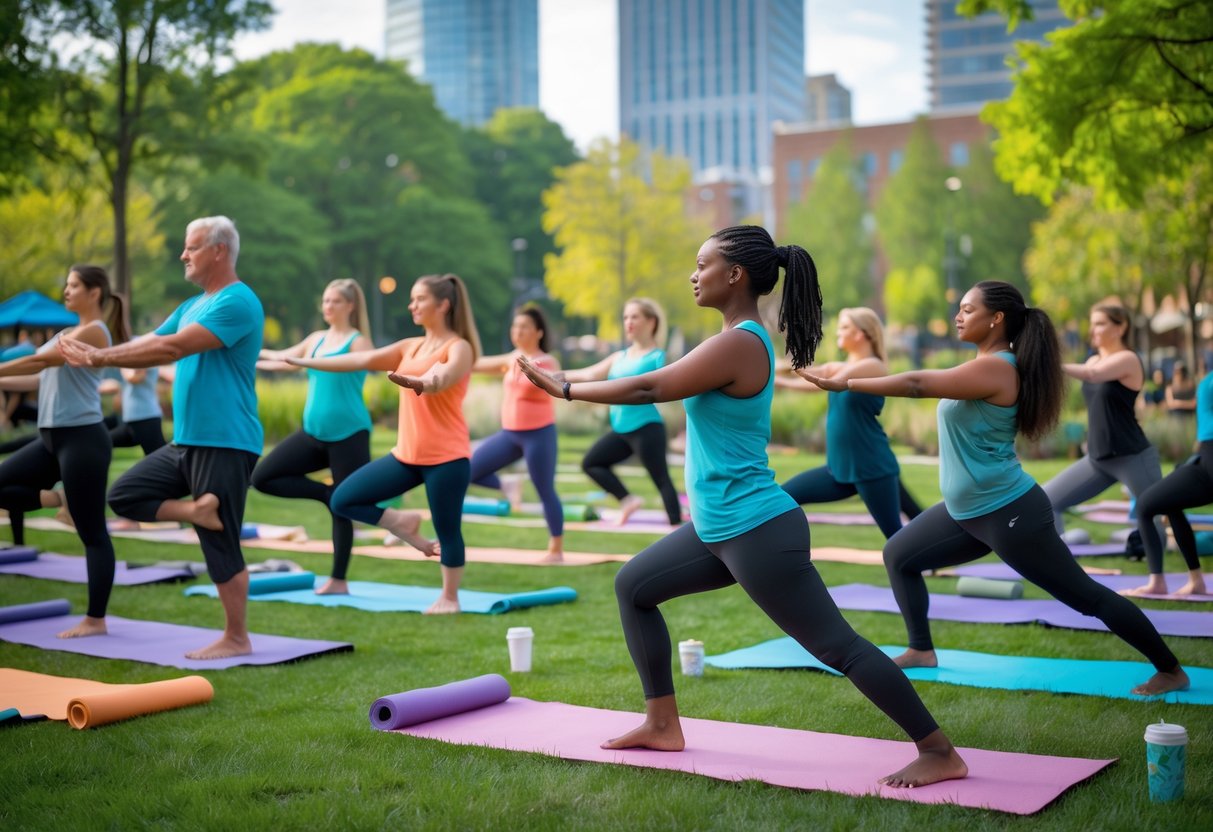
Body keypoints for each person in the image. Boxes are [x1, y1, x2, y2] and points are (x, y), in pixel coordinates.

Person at [518, 225, 967, 788]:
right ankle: (662, 723)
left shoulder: (740, 340)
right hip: (719, 527)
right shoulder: (734, 336)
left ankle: (938, 750)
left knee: (837, 646)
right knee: (633, 587)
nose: (693, 274)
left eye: (702, 264)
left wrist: (565, 389)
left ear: (735, 275)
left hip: (756, 529)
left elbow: (651, 389)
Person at [806, 281, 1189, 697]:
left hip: (1010, 513)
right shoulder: (985, 363)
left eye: (968, 310)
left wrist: (847, 384)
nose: (958, 316)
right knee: (899, 554)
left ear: (997, 318)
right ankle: (920, 650)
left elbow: (917, 384)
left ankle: (1170, 669)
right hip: (965, 512)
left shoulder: (998, 366)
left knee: (1087, 599)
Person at [60, 216, 264, 660]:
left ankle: (236, 637)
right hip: (188, 440)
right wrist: (103, 354)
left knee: (221, 542)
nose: (183, 255)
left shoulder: (239, 302)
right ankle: (194, 511)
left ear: (218, 251)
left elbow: (173, 349)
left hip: (227, 439)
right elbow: (151, 339)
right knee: (126, 494)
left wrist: (98, 358)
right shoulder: (193, 304)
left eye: (191, 248)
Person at [288, 273, 479, 615]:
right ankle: (400, 522)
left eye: (419, 299)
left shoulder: (459, 347)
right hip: (406, 454)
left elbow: (442, 378)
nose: (412, 306)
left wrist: (422, 382)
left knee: (448, 529)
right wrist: (306, 360)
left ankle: (449, 598)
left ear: (443, 304)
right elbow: (359, 359)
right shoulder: (410, 346)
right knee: (344, 498)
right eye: (412, 299)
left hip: (447, 457)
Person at [0, 265, 127, 638]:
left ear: (94, 293)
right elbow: (40, 376)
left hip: (83, 440)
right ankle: (59, 497)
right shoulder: (66, 332)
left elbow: (41, 361)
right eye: (67, 284)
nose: (66, 290)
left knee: (92, 534)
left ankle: (95, 620)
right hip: (51, 440)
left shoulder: (93, 332)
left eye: (73, 285)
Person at [252, 279, 374, 594]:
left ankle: (338, 580)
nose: (328, 306)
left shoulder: (359, 343)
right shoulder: (316, 339)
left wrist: (301, 361)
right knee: (263, 476)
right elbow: (282, 359)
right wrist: (245, 354)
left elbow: (369, 363)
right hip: (312, 434)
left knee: (345, 507)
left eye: (335, 301)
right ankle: (325, 494)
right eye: (325, 300)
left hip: (349, 435)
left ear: (350, 306)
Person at [776, 307, 922, 539]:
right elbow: (822, 372)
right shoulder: (844, 366)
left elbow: (828, 379)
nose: (837, 333)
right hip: (840, 469)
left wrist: (787, 375)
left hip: (870, 467)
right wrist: (777, 376)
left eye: (844, 327)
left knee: (896, 538)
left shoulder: (874, 366)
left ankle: (928, 555)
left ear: (862, 334)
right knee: (785, 495)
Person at [1040, 304, 1164, 549]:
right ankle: (1062, 566)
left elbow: (1092, 374)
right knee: (1047, 501)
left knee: (1151, 516)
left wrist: (1049, 365)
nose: (1093, 330)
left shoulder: (1128, 359)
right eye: (1092, 323)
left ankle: (1159, 578)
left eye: (1100, 323)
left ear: (1120, 327)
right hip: (1098, 458)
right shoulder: (1094, 358)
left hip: (1132, 455)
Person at [560, 298, 681, 526]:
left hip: (647, 429)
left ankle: (675, 525)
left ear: (651, 322)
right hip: (621, 429)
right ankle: (627, 500)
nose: (629, 322)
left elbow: (675, 388)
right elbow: (588, 375)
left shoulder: (658, 358)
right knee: (591, 463)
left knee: (661, 479)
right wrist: (555, 375)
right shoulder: (620, 356)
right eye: (626, 317)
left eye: (635, 316)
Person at [468, 305, 564, 563]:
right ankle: (507, 485)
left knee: (545, 489)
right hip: (510, 435)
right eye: (515, 326)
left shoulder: (546, 361)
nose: (517, 331)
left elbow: (555, 378)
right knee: (469, 471)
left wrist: (542, 373)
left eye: (524, 327)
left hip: (539, 435)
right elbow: (474, 364)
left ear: (538, 332)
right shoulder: (510, 358)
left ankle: (556, 549)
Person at [1131, 365, 1213, 596]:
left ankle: (1181, 581)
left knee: (1149, 505)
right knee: (1150, 504)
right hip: (1204, 461)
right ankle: (1189, 580)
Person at [106, 365, 168, 456]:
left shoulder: (144, 359)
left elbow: (133, 378)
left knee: (159, 458)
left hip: (146, 418)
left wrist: (121, 363)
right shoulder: (131, 362)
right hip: (131, 421)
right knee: (101, 442)